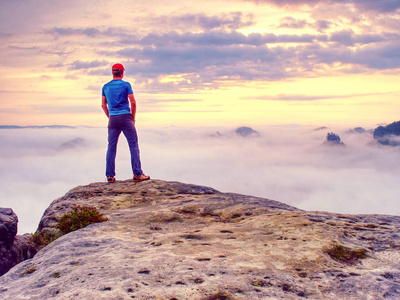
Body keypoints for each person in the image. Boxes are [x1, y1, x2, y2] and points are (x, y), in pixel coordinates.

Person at [101, 63, 150, 183]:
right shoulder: (126, 85)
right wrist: (132, 118)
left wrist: (110, 116)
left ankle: (110, 176)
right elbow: (133, 102)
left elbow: (103, 105)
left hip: (113, 118)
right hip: (126, 117)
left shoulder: (106, 87)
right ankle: (137, 174)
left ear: (113, 73)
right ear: (122, 73)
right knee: (133, 146)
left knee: (111, 147)